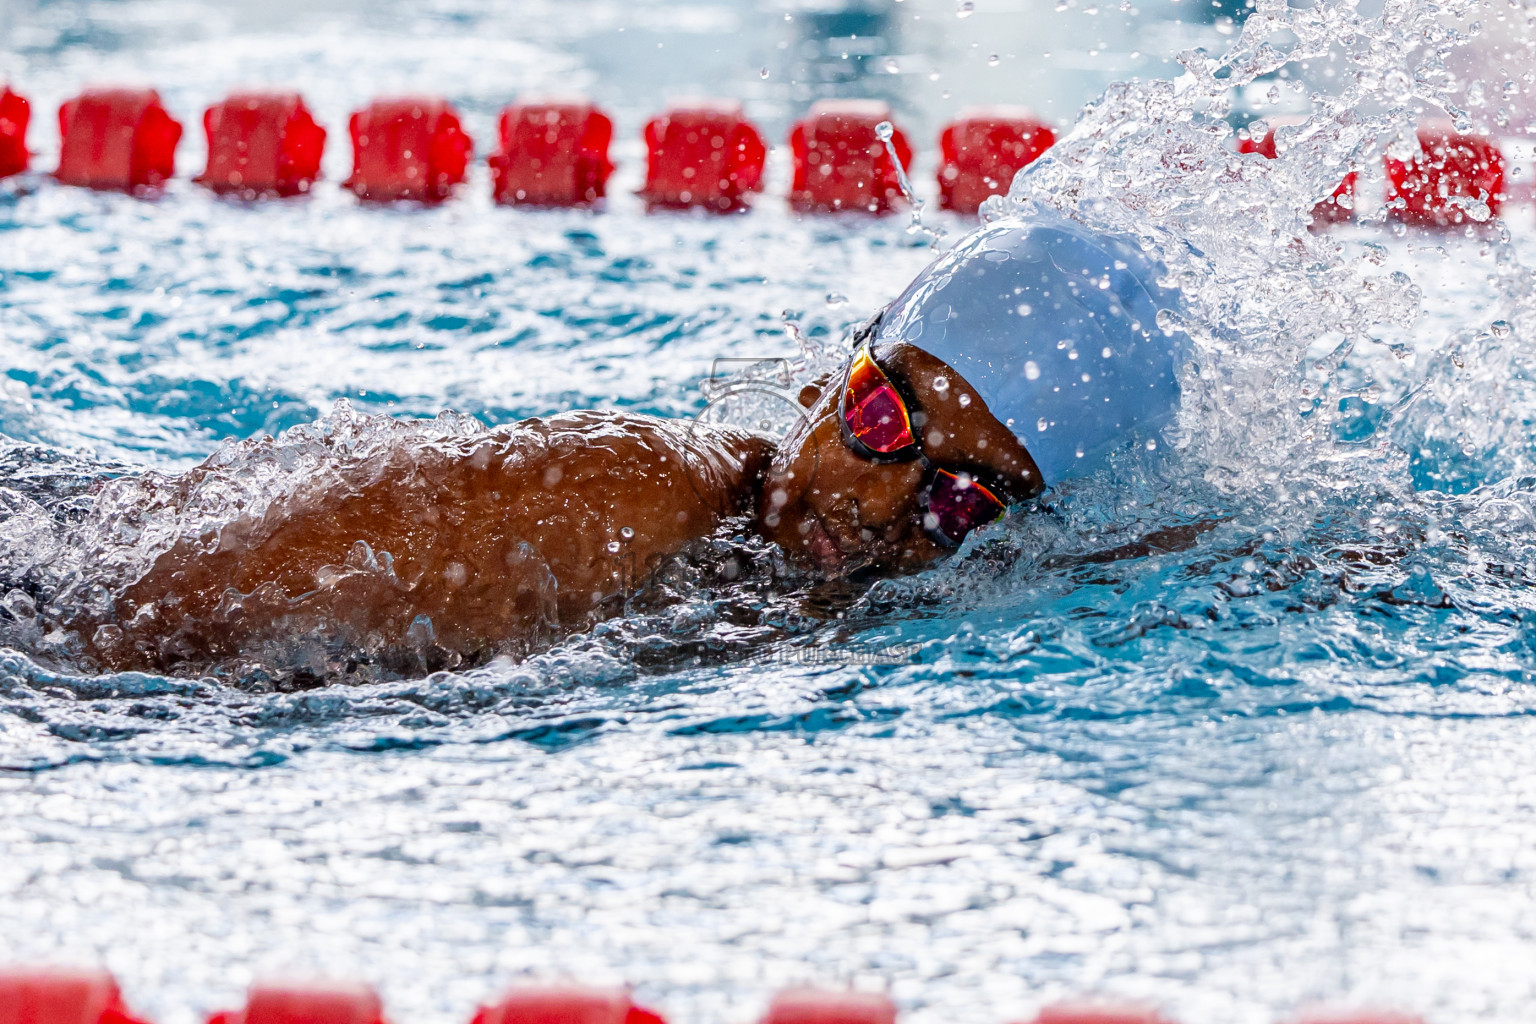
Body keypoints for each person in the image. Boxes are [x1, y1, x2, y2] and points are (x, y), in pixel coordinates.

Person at [80, 211, 1185, 675]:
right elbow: (139, 610)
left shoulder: (882, 599)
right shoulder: (633, 494)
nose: (879, 503)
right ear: (824, 380)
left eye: (960, 500)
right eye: (881, 421)